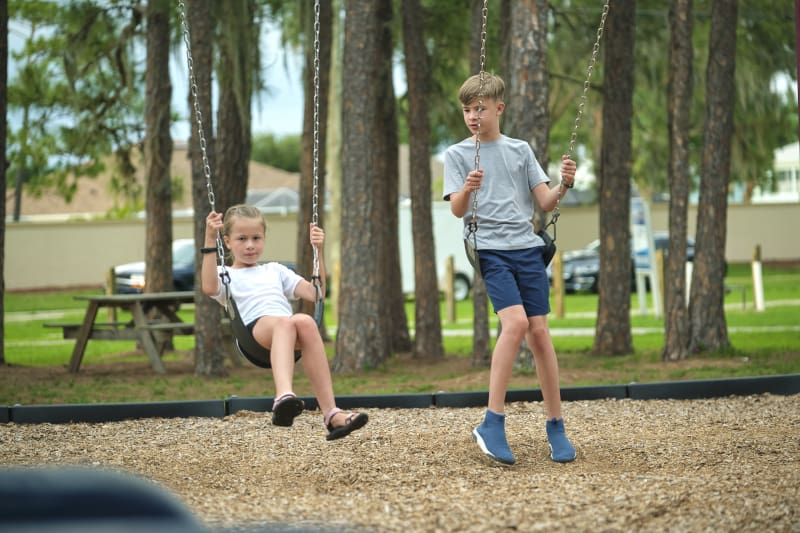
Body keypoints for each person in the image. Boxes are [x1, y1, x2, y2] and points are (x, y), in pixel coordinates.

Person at [443, 73, 577, 465]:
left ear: (498, 108)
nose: (472, 115)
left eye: (480, 108)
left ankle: (556, 425)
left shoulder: (520, 150)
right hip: (491, 250)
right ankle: (492, 421)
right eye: (467, 109)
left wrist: (565, 185)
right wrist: (468, 188)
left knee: (539, 333)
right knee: (515, 324)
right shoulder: (457, 154)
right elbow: (457, 210)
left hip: (528, 249)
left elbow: (546, 202)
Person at [201, 204, 368, 441]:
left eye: (256, 238)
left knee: (305, 321)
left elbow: (316, 294)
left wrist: (318, 250)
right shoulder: (225, 274)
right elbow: (208, 287)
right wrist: (209, 237)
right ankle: (283, 397)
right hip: (254, 335)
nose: (250, 245)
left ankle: (332, 414)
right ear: (227, 242)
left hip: (287, 335)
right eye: (242, 239)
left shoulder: (275, 270)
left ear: (264, 239)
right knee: (286, 323)